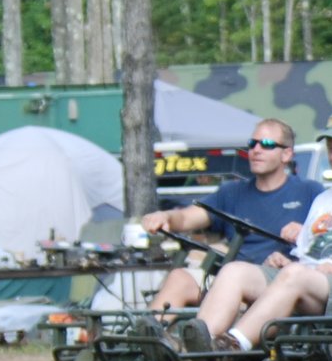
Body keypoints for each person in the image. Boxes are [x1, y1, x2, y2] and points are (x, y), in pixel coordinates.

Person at [173, 112, 332, 352]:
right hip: (312, 286)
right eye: (331, 148)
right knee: (234, 271)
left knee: (295, 275)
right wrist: (287, 262)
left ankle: (231, 347)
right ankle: (192, 349)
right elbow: (306, 261)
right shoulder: (325, 199)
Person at [136, 120, 320, 311]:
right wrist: (165, 217)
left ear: (287, 154)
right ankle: (147, 338)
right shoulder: (232, 192)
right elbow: (187, 218)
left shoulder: (309, 192)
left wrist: (306, 233)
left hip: (278, 284)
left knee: (232, 287)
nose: (256, 150)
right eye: (252, 144)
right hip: (229, 281)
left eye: (267, 145)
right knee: (180, 277)